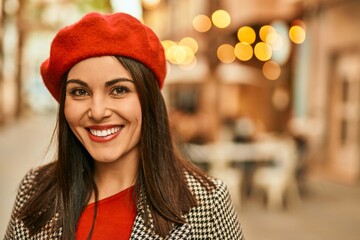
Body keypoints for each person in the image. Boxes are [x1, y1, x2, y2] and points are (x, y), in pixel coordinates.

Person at [4, 12, 245, 240]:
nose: (98, 111)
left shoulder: (206, 203)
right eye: (80, 91)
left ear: (148, 100)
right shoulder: (35, 190)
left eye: (119, 90)